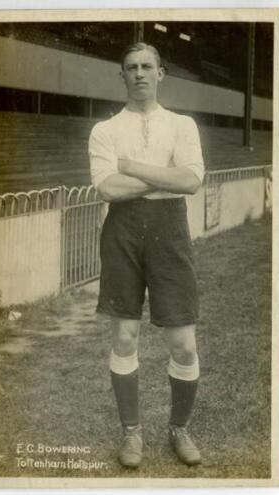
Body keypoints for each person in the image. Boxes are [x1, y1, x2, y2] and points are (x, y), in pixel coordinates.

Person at [88, 42, 204, 468]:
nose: (139, 74)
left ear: (161, 73)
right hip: (122, 233)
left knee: (183, 342)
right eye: (131, 68)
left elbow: (191, 181)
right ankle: (131, 433)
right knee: (124, 336)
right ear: (122, 76)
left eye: (147, 66)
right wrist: (165, 178)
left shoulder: (182, 125)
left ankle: (179, 428)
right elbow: (107, 189)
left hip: (170, 233)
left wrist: (133, 168)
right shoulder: (104, 130)